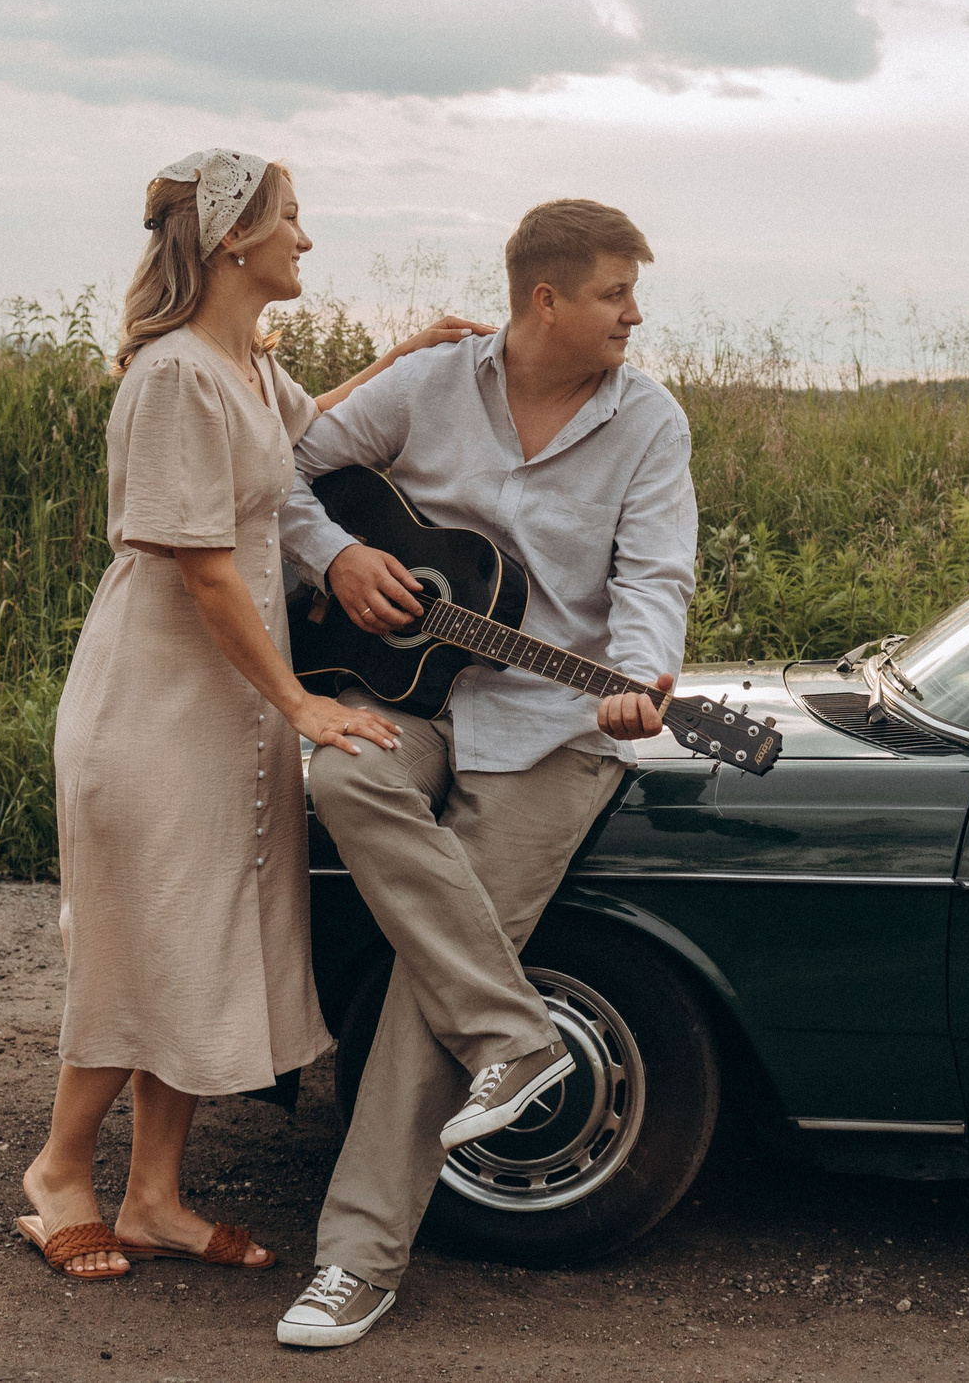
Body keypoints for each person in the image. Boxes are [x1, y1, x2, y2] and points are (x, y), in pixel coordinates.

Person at [17, 150, 490, 1282]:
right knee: (138, 936)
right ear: (234, 239)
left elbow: (293, 439)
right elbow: (204, 567)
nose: (304, 240)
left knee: (203, 934)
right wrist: (301, 702)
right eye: (291, 220)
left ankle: (153, 1197)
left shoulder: (244, 364)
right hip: (156, 701)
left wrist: (402, 358)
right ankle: (58, 1176)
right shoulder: (174, 375)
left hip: (228, 701)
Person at [271, 199, 697, 1348]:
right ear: (545, 300)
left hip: (555, 726)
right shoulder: (431, 384)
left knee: (432, 979)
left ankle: (354, 1262)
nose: (634, 315)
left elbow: (655, 575)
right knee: (344, 778)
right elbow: (286, 467)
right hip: (408, 692)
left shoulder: (648, 421)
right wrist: (337, 556)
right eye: (615, 293)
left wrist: (636, 676)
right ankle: (516, 1033)